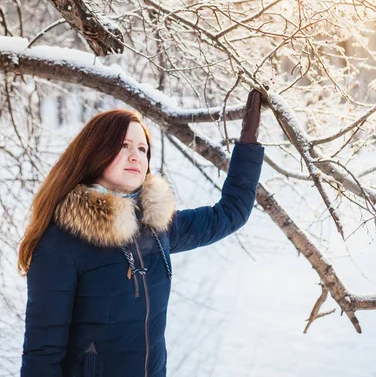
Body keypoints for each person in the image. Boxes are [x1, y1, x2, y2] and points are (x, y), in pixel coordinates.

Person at [18, 90, 264, 377]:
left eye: (143, 149)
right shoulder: (62, 241)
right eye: (123, 146)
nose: (136, 156)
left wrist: (248, 143)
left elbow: (229, 214)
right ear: (95, 152)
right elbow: (42, 353)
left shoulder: (154, 226)